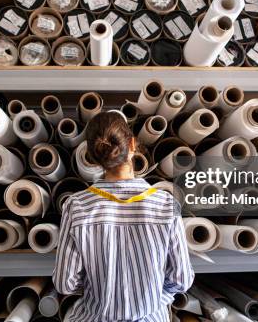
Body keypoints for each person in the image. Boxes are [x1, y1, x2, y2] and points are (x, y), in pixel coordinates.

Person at [53, 111, 194, 322]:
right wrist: (153, 299)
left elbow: (65, 283)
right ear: (133, 145)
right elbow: (181, 279)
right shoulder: (165, 205)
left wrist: (99, 287)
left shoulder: (77, 206)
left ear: (92, 156)